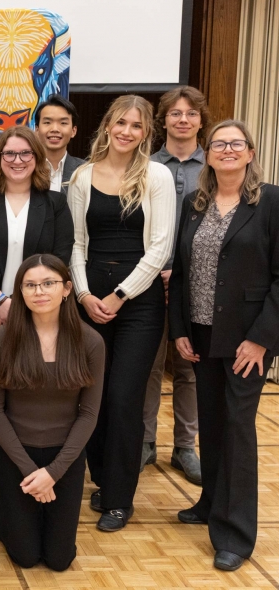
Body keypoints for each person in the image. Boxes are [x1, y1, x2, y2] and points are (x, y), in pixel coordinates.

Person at [169, 120, 279, 572]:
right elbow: (178, 270)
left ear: (250, 153)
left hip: (247, 339)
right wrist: (178, 328)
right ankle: (211, 501)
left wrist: (260, 340)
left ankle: (235, 533)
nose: (227, 150)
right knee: (212, 421)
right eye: (219, 144)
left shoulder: (270, 201)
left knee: (236, 429)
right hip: (202, 331)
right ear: (208, 154)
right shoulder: (195, 204)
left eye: (236, 144)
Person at [68, 95, 176, 531]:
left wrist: (118, 295)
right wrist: (82, 294)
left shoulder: (157, 176)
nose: (127, 131)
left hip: (138, 304)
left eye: (136, 126)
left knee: (123, 398)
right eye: (121, 123)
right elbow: (75, 244)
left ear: (146, 133)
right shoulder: (82, 176)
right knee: (90, 397)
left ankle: (119, 499)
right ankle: (105, 481)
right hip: (89, 301)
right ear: (108, 125)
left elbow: (160, 247)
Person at [0, 125, 74, 504]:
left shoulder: (53, 204)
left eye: (25, 154)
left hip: (39, 317)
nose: (17, 161)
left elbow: (60, 258)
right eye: (9, 154)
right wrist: (0, 300)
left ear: (36, 159)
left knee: (28, 396)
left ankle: (25, 467)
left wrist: (23, 304)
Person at [0, 254, 104, 571]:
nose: (39, 291)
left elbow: (89, 414)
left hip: (65, 456)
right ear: (20, 292)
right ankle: (6, 511)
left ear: (66, 289)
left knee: (59, 559)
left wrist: (53, 472)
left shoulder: (90, 342)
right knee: (25, 557)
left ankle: (15, 510)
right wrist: (27, 469)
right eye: (30, 285)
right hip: (16, 455)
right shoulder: (1, 339)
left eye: (48, 283)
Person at [141, 86, 211, 484]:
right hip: (150, 281)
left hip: (197, 286)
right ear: (162, 120)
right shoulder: (147, 166)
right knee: (148, 366)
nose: (182, 120)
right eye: (174, 114)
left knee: (189, 368)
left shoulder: (215, 166)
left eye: (190, 114)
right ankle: (145, 442)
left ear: (201, 120)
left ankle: (185, 446)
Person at [34, 95, 85, 194]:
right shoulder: (25, 168)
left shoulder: (84, 170)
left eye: (63, 123)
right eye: (47, 122)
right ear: (37, 130)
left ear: (73, 131)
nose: (55, 129)